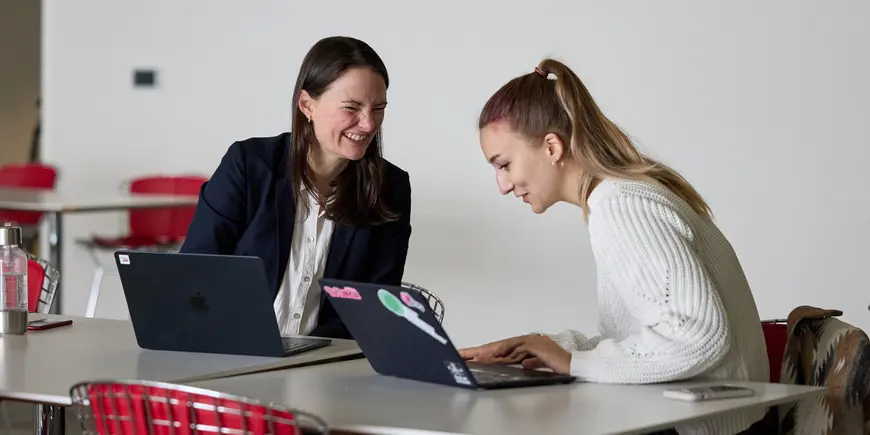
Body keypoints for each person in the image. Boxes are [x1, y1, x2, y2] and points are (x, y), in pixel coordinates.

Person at [458, 60, 772, 435]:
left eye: (504, 164)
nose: (503, 185)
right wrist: (545, 348)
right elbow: (642, 343)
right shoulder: (622, 195)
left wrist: (574, 363)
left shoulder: (620, 205)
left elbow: (697, 334)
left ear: (552, 146)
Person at [180, 36, 412, 340]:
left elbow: (375, 309)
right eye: (351, 107)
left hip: (324, 369)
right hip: (229, 352)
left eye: (378, 108)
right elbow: (193, 273)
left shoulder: (390, 187)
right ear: (307, 105)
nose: (368, 124)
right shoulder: (249, 165)